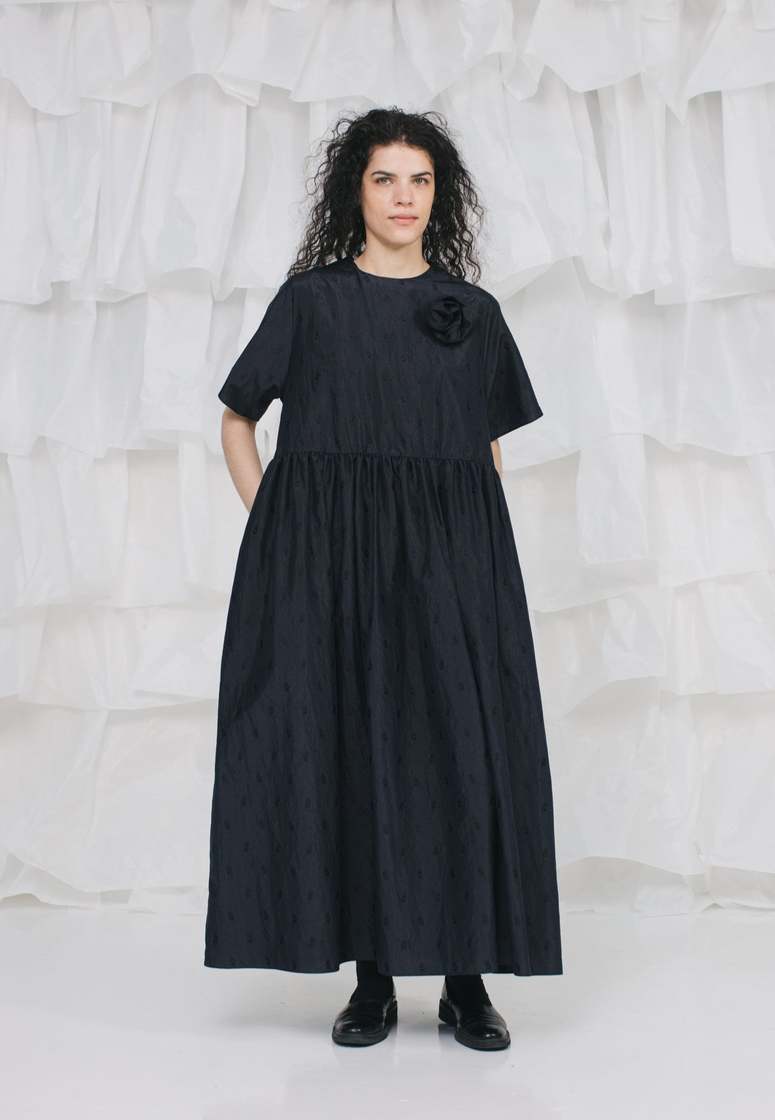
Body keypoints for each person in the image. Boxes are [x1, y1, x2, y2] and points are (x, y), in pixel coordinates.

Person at [204, 107, 563, 1051]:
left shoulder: (472, 312)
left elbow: (483, 447)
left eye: (420, 181)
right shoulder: (311, 302)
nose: (404, 197)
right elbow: (238, 418)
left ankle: (466, 983)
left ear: (439, 195)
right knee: (355, 752)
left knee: (461, 754)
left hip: (452, 565)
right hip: (333, 571)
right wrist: (277, 529)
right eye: (384, 179)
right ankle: (371, 982)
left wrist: (478, 566)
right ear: (353, 192)